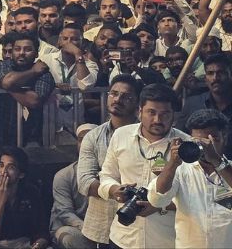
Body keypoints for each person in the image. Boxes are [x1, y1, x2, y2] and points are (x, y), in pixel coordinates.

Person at [97, 83, 186, 249]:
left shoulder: (187, 145)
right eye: (151, 112)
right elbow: (106, 175)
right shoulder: (121, 135)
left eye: (165, 114)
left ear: (174, 115)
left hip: (167, 241)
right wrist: (114, 190)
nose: (157, 120)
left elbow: (196, 195)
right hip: (123, 237)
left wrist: (159, 205)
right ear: (139, 112)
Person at [148, 109, 232, 248]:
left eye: (212, 139)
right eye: (197, 141)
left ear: (225, 137)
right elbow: (157, 200)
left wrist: (216, 160)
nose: (205, 146)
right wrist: (172, 163)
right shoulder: (181, 170)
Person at [77, 75, 141, 248]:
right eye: (114, 93)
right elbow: (84, 181)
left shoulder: (146, 135)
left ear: (137, 104)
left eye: (126, 97)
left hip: (139, 220)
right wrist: (113, 190)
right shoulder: (93, 136)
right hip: (102, 222)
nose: (118, 99)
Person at [0, 146, 51, 249]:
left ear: (21, 174)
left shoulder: (31, 192)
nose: (3, 172)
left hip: (24, 244)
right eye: (1, 165)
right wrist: (0, 201)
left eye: (11, 167)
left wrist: (38, 245)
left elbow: (42, 231)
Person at [52, 124, 92, 249]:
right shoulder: (63, 176)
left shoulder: (108, 172)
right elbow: (65, 213)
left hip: (101, 231)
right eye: (81, 140)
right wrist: (90, 230)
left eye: (90, 140)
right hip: (73, 228)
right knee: (69, 238)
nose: (85, 144)